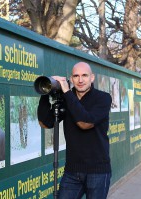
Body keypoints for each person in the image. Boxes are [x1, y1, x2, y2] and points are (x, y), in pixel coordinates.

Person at [37, 62, 112, 199]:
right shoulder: (67, 98)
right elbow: (45, 123)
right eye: (76, 76)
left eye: (84, 75)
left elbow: (85, 123)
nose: (80, 80)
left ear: (92, 77)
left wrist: (66, 93)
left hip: (98, 171)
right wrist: (46, 92)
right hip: (72, 171)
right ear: (71, 79)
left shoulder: (103, 98)